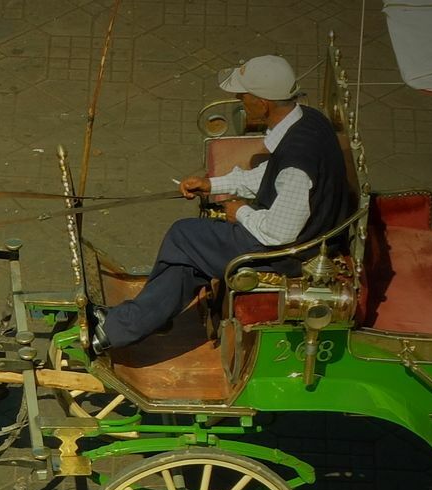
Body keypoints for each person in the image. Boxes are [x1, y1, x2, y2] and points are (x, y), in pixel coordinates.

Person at [88, 55, 355, 353]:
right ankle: (137, 321)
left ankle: (129, 324)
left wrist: (239, 211)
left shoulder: (296, 162)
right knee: (189, 253)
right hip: (299, 232)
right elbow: (272, 175)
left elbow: (279, 233)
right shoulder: (308, 119)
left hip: (288, 254)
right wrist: (214, 185)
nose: (240, 102)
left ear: (262, 102)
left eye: (243, 96)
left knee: (184, 235)